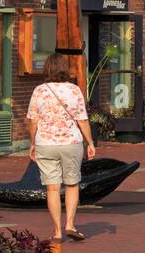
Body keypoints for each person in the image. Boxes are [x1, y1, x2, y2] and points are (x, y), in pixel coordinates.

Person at [26, 53, 96, 242]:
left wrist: (32, 143)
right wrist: (90, 142)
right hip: (71, 144)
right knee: (72, 184)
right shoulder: (74, 90)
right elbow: (82, 120)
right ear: (65, 68)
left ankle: (57, 231)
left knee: (52, 188)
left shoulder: (39, 91)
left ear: (47, 68)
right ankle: (70, 225)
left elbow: (33, 121)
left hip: (45, 144)